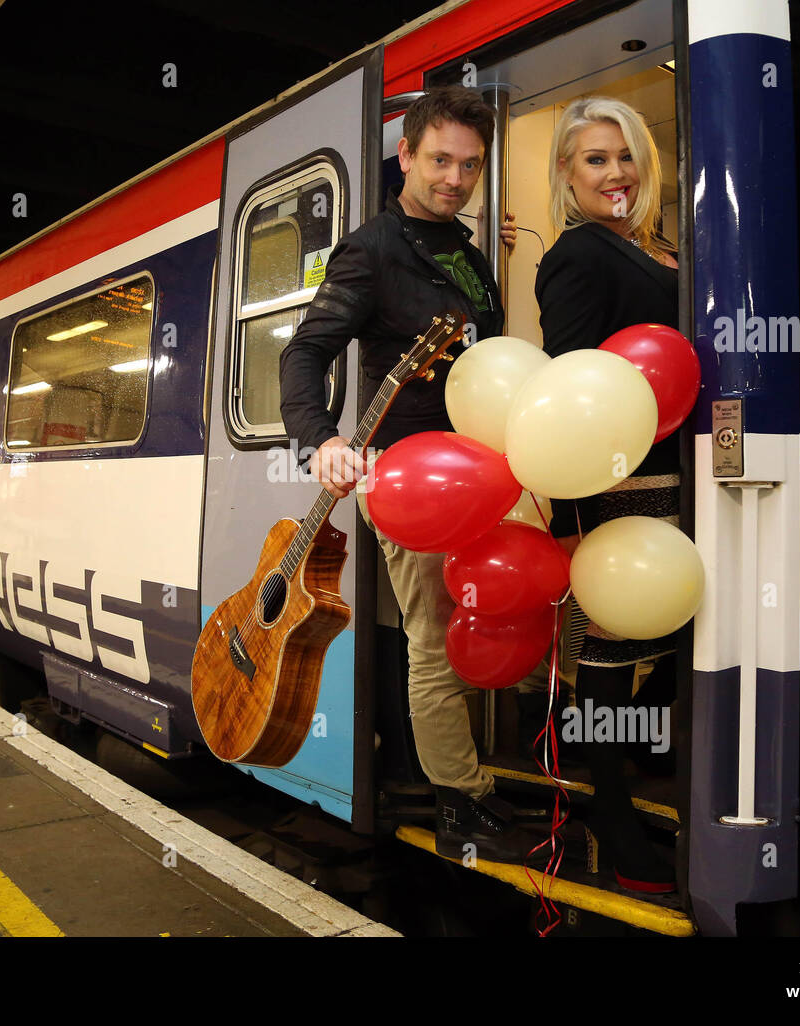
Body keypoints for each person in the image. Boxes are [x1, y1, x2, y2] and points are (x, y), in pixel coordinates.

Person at [278, 86, 536, 863]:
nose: (455, 178)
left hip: (489, 466)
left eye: (471, 165)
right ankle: (462, 800)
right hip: (416, 478)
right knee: (433, 638)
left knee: (510, 608)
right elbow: (304, 352)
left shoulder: (472, 253)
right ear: (407, 156)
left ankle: (518, 754)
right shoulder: (371, 248)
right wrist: (320, 439)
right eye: (440, 161)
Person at [532, 95, 682, 893]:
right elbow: (570, 393)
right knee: (604, 655)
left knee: (676, 627)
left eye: (625, 156)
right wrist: (573, 519)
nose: (615, 172)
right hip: (616, 483)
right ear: (567, 172)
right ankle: (611, 818)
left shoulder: (658, 250)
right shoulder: (577, 256)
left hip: (683, 476)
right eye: (595, 159)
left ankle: (621, 752)